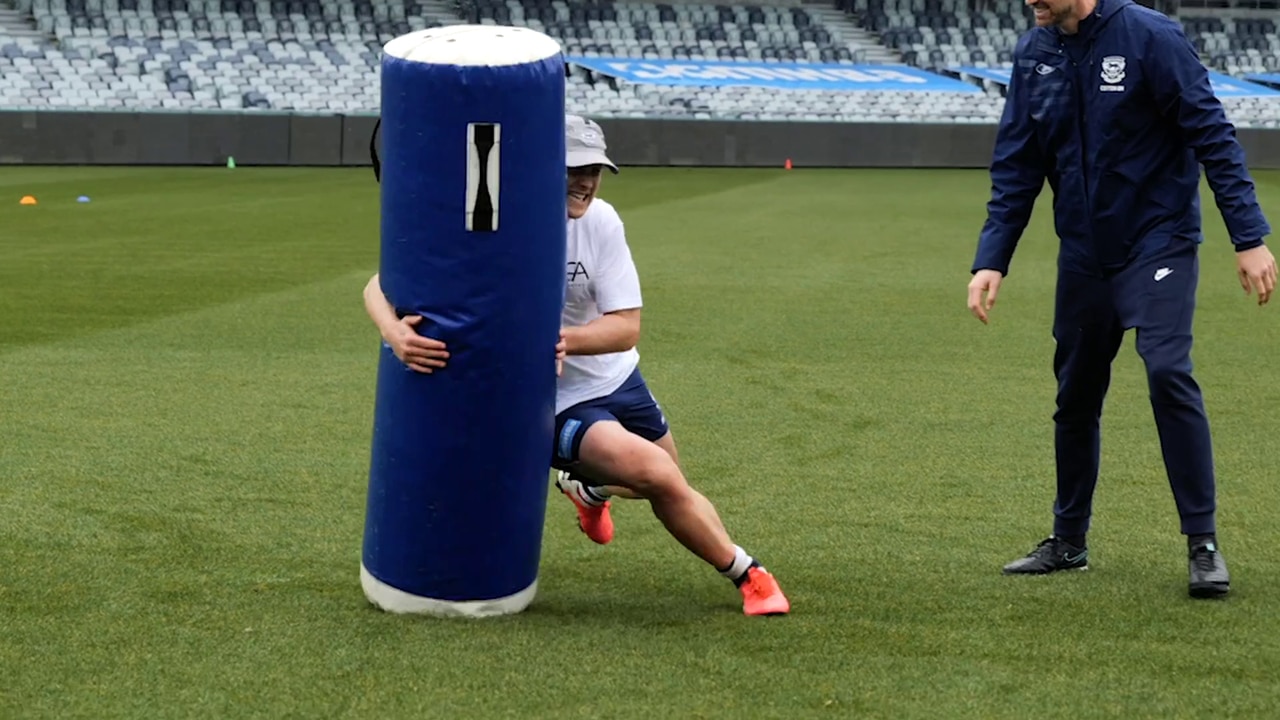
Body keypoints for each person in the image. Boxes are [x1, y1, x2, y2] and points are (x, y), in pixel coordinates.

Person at [362, 114, 790, 617]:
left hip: (617, 376)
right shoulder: (499, 224)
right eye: (573, 168)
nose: (586, 180)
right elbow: (380, 284)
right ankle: (749, 574)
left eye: (595, 168)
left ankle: (585, 488)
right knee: (658, 475)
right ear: (541, 168)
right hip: (553, 399)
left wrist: (562, 340)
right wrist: (395, 335)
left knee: (662, 480)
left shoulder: (602, 221)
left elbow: (626, 325)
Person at [967, 0, 1276, 598]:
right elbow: (1017, 166)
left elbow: (1212, 134)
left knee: (1166, 370)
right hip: (1085, 253)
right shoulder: (1035, 54)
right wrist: (991, 258)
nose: (1031, 0)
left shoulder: (1151, 38)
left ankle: (1203, 544)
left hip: (1157, 242)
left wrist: (1249, 238)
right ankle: (1069, 540)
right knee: (1075, 392)